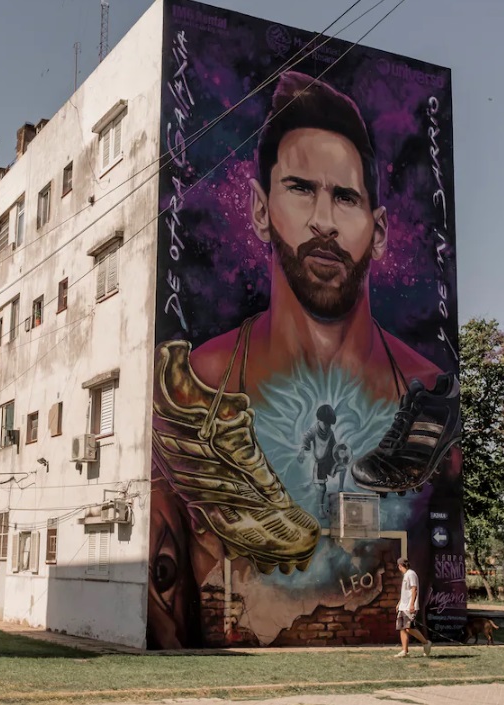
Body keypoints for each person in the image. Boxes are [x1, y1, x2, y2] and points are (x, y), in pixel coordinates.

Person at [149, 70, 458, 647]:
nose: (324, 222)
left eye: (345, 197)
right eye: (300, 189)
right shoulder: (197, 387)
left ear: (380, 228)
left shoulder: (431, 394)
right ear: (262, 210)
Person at [299, 404, 342, 514]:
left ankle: (341, 490)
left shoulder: (330, 433)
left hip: (329, 461)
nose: (327, 426)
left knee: (343, 469)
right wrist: (302, 451)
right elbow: (306, 438)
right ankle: (320, 509)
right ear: (319, 420)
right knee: (322, 489)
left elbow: (335, 446)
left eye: (329, 424)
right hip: (320, 464)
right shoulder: (314, 430)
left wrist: (339, 454)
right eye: (325, 423)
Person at [395, 557, 431, 657]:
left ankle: (425, 642)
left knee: (409, 628)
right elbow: (405, 592)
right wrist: (399, 603)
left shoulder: (411, 574)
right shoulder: (406, 575)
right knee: (402, 628)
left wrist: (412, 604)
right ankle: (404, 651)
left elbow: (414, 589)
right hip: (403, 606)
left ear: (400, 566)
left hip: (409, 606)